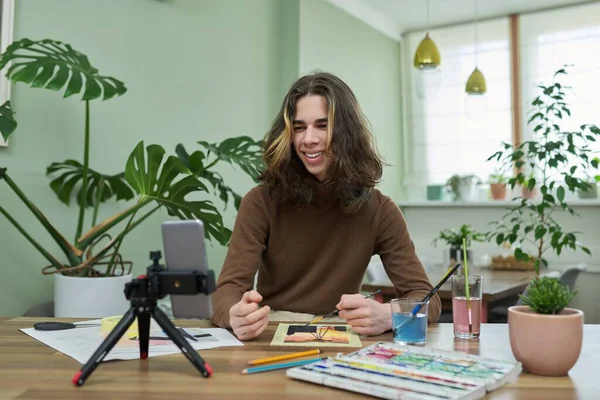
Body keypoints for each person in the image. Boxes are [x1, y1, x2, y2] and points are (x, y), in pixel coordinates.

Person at [211, 71, 440, 340]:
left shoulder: (380, 210)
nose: (308, 138)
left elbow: (428, 299)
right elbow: (227, 292)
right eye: (299, 127)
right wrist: (234, 314)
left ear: (346, 132)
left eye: (322, 125)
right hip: (272, 332)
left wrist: (388, 314)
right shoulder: (261, 201)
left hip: (340, 335)